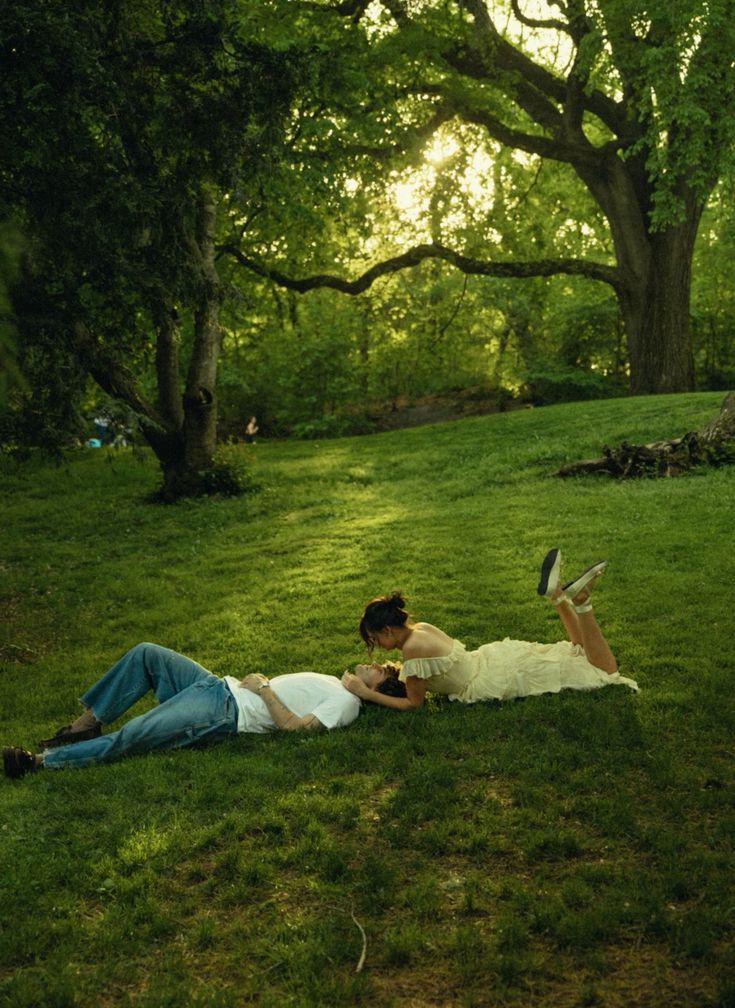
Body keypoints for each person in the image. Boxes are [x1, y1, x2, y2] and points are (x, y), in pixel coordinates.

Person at [3, 643, 361, 779]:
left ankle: (38, 762)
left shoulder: (348, 702)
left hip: (223, 711)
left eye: (384, 669)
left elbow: (297, 729)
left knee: (134, 735)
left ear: (375, 687)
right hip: (217, 686)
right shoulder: (336, 682)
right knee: (147, 654)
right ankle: (85, 726)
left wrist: (265, 689)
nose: (379, 663)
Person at [341, 549, 638, 710]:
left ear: (388, 630)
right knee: (576, 652)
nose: (378, 646)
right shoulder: (422, 628)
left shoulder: (412, 654)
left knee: (604, 671)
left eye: (376, 638)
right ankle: (558, 597)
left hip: (489, 680)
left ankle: (581, 600)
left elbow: (414, 704)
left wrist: (367, 695)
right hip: (489, 660)